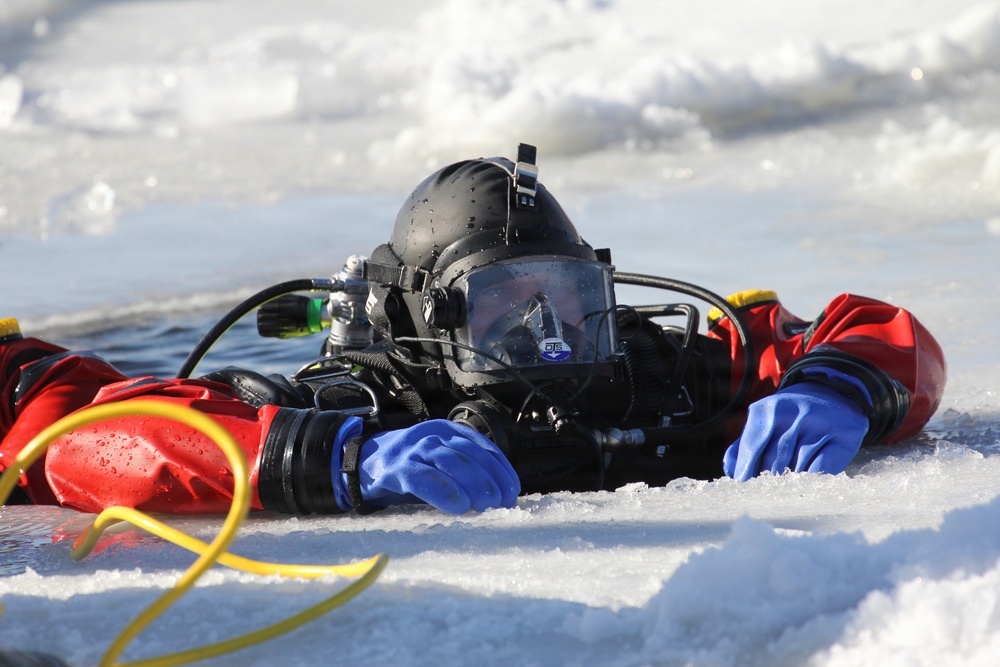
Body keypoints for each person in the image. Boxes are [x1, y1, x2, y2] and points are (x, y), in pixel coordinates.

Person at [0, 145, 946, 516]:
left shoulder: (651, 372)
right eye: (506, 307)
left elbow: (878, 330)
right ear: (429, 320)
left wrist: (836, 384)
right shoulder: (366, 405)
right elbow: (87, 439)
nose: (550, 330)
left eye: (570, 296)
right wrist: (335, 456)